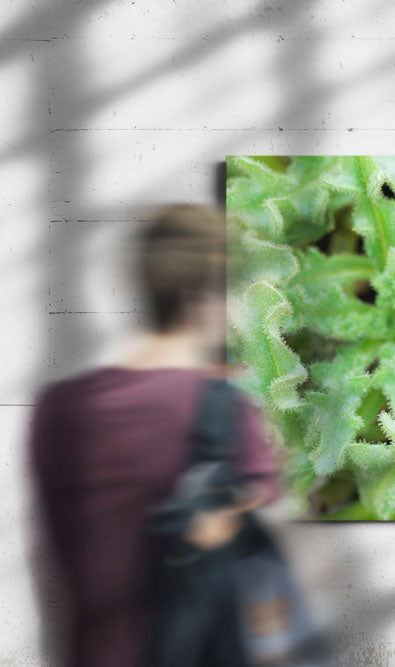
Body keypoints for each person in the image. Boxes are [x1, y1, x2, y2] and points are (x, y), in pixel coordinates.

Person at [29, 204, 279, 667]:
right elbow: (268, 588)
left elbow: (52, 579)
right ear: (202, 292)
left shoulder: (56, 409)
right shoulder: (221, 411)